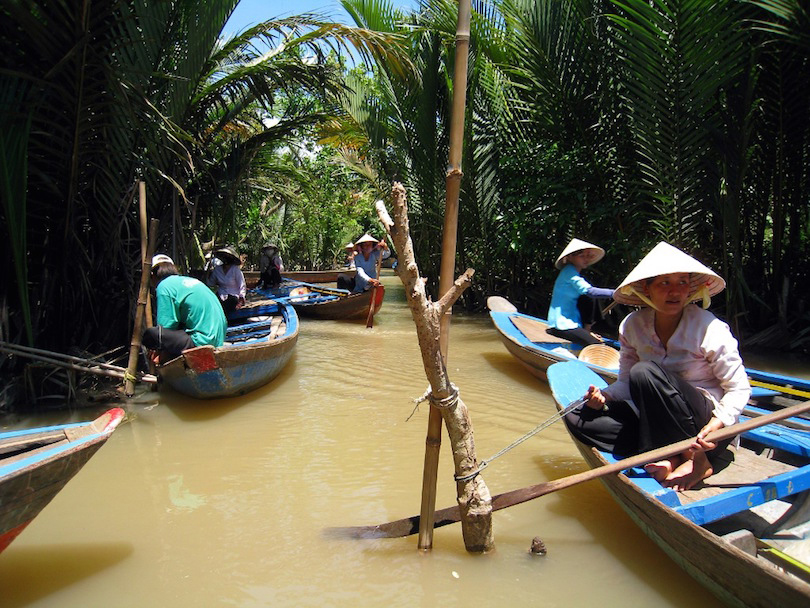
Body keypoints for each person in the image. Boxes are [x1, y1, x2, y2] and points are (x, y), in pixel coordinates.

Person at [564, 242, 751, 491]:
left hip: (704, 424)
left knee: (645, 372)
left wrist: (716, 425)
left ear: (690, 290)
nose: (674, 291)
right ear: (646, 289)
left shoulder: (709, 328)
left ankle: (696, 460)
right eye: (664, 283)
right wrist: (603, 396)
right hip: (656, 420)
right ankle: (667, 454)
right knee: (576, 415)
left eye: (682, 282)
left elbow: (739, 389)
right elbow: (628, 383)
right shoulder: (632, 325)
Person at [142, 254, 227, 362]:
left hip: (202, 340)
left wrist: (160, 352)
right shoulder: (189, 281)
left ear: (153, 275)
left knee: (151, 334)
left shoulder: (164, 286)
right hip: (218, 339)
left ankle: (163, 361)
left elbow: (166, 326)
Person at [547, 238, 615, 346]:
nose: (586, 259)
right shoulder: (569, 272)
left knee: (588, 299)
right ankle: (586, 334)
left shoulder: (573, 272)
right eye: (581, 256)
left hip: (572, 323)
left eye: (587, 256)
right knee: (597, 346)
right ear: (570, 257)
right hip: (561, 325)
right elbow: (591, 292)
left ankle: (586, 331)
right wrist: (615, 293)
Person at [207, 245, 246, 314]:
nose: (225, 259)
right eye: (224, 257)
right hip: (221, 295)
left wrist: (241, 299)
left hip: (233, 296)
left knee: (229, 303)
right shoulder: (217, 270)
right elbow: (210, 283)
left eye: (227, 257)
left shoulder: (235, 270)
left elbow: (242, 285)